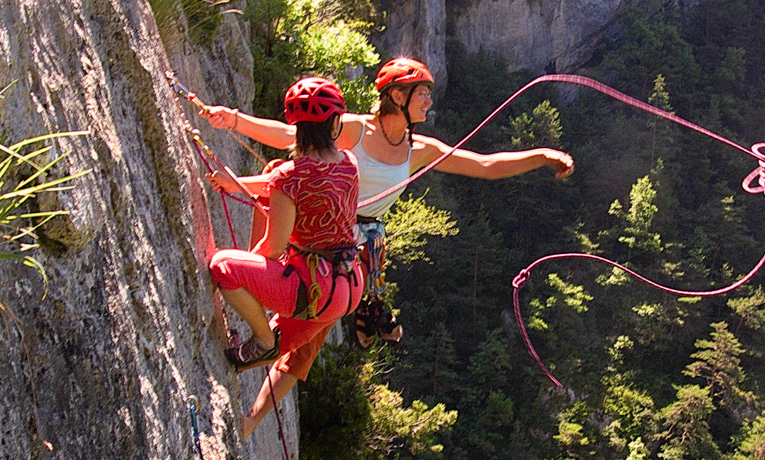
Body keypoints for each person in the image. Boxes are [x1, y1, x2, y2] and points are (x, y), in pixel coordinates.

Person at [194, 56, 574, 347]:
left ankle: (277, 303)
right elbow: (296, 134)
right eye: (421, 93)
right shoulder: (356, 130)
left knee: (303, 334)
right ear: (397, 96)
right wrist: (235, 120)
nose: (428, 100)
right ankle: (260, 282)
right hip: (320, 218)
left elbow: (486, 166)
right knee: (279, 174)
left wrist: (540, 156)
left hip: (354, 244)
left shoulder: (420, 149)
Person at [206, 76, 363, 439]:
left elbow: (272, 248)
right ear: (335, 122)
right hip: (344, 290)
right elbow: (298, 182)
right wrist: (237, 183)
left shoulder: (289, 176)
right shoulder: (349, 163)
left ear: (295, 124)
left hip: (309, 290)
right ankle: (259, 360)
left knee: (224, 267)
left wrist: (250, 278)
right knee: (243, 361)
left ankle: (263, 339)